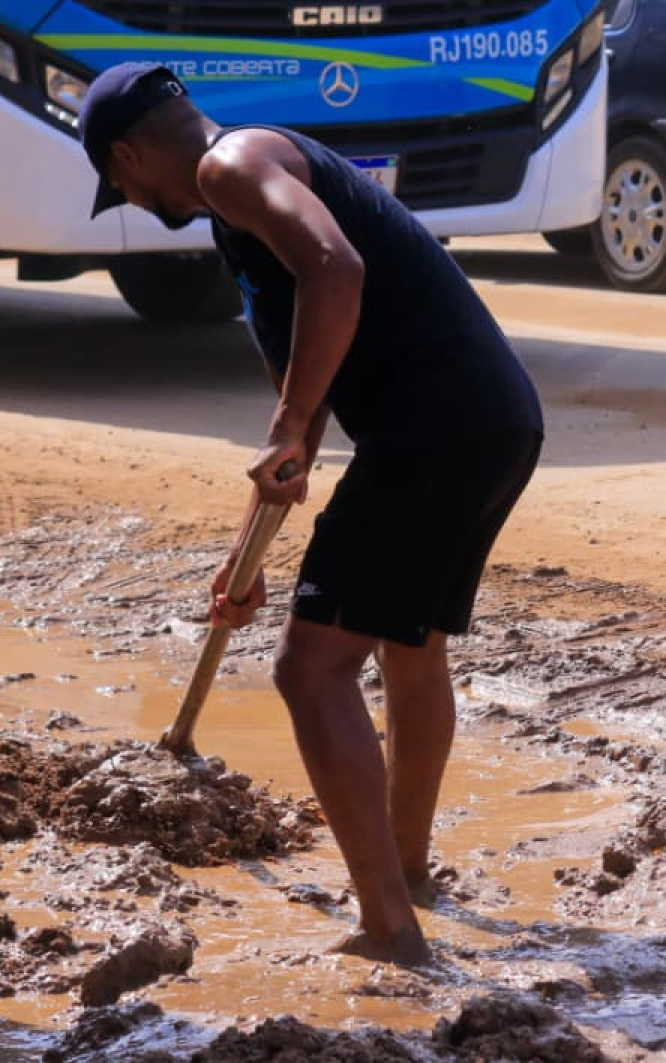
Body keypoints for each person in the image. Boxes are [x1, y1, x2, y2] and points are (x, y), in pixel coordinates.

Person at [77, 62, 543, 965]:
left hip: (431, 430)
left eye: (120, 184)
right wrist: (243, 559)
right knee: (410, 649)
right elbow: (303, 415)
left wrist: (293, 422)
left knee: (310, 670)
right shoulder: (253, 197)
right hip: (494, 421)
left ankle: (387, 929)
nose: (131, 198)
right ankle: (404, 874)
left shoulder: (231, 166)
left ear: (130, 153)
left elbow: (339, 269)